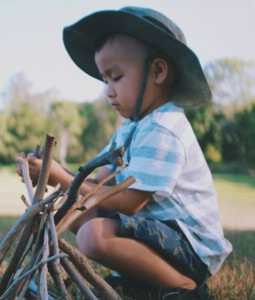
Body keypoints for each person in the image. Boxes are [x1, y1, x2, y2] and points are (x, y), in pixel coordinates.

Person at [16, 6, 232, 299]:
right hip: (161, 236)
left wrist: (58, 176)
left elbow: (130, 201)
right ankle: (144, 281)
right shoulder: (133, 128)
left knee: (93, 236)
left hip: (191, 248)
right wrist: (49, 171)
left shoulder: (164, 128)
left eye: (116, 77)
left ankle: (186, 288)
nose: (108, 90)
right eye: (105, 80)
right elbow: (98, 184)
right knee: (75, 213)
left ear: (157, 72)